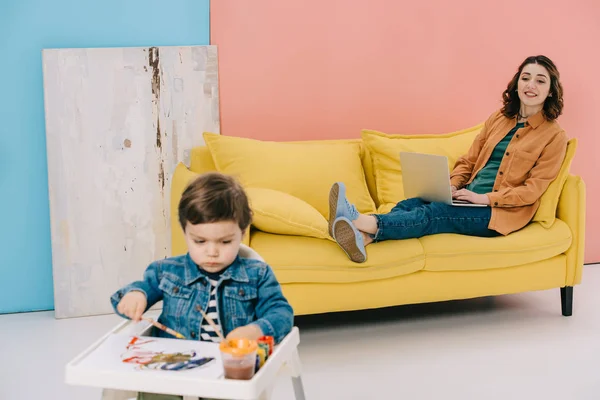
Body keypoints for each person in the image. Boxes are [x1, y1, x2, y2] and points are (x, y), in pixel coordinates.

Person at [329, 55, 568, 263]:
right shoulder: (499, 119)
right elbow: (469, 160)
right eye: (526, 78)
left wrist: (483, 198)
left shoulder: (553, 136)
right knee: (410, 205)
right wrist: (452, 185)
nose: (531, 85)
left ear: (550, 91)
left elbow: (532, 190)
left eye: (540, 80)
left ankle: (358, 219)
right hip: (468, 197)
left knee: (436, 213)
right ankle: (363, 239)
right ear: (517, 83)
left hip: (498, 214)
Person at [110, 172, 294, 400]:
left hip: (227, 366)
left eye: (225, 242)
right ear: (186, 232)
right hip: (172, 362)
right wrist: (136, 295)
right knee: (154, 392)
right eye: (200, 241)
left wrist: (255, 330)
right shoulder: (166, 271)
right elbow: (139, 289)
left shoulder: (257, 274)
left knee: (227, 392)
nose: (212, 251)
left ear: (242, 233)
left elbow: (282, 313)